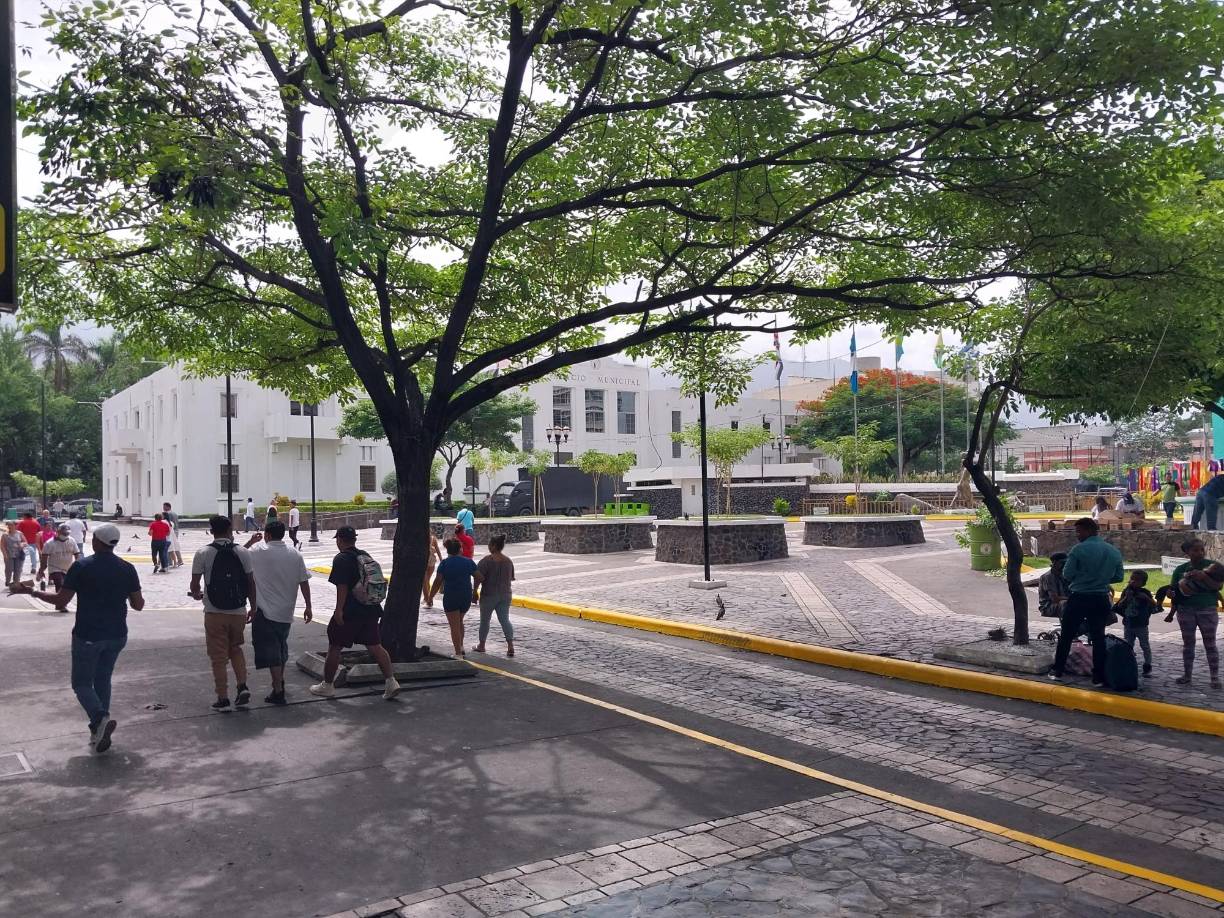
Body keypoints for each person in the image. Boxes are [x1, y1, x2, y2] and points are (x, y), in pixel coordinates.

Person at [9, 523, 143, 754]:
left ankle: (100, 719)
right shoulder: (127, 568)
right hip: (117, 634)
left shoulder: (82, 566)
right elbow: (138, 604)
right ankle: (97, 730)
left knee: (81, 683)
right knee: (103, 680)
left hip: (88, 633)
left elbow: (61, 601)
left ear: (97, 542)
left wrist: (32, 592)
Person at [310, 526, 400, 700]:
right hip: (370, 608)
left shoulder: (341, 559)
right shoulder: (364, 555)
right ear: (354, 539)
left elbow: (342, 587)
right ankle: (391, 681)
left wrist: (339, 610)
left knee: (335, 646)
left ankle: (327, 685)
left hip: (350, 610)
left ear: (339, 540)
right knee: (375, 645)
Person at [189, 515, 258, 710]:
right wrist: (253, 607)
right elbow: (251, 583)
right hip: (238, 611)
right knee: (235, 648)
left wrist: (196, 594)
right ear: (230, 531)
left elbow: (194, 585)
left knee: (218, 657)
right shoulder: (243, 552)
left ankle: (222, 696)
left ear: (212, 532)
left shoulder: (202, 553)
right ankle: (242, 685)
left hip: (214, 612)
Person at [243, 519, 311, 704]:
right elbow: (303, 581)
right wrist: (308, 606)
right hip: (286, 611)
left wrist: (250, 542)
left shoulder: (257, 551)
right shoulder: (295, 554)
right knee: (281, 647)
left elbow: (239, 556)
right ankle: (278, 683)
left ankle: (278, 689)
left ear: (267, 535)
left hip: (264, 611)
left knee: (271, 651)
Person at [1051, 518, 1124, 686]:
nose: (1077, 535)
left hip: (1080, 597)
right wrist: (1101, 579)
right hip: (1101, 598)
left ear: (1089, 531)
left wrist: (1083, 578)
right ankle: (1098, 676)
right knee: (1098, 637)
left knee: (1067, 635)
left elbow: (1067, 574)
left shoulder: (1078, 550)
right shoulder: (1113, 551)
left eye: (1078, 531)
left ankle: (1058, 670)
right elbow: (1119, 577)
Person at [1166, 538, 1222, 689]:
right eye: (1195, 550)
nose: (1200, 552)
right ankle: (1187, 675)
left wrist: (1204, 577)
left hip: (1207, 609)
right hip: (1185, 610)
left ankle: (1214, 678)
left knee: (1210, 644)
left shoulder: (1213, 566)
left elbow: (1217, 587)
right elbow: (1174, 590)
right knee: (1188, 644)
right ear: (1187, 552)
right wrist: (1171, 594)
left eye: (1201, 549)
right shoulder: (1180, 570)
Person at [428, 538, 481, 658]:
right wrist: (475, 591)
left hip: (451, 596)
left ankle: (458, 652)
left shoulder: (445, 564)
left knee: (454, 626)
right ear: (460, 549)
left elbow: (437, 582)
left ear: (448, 550)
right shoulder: (469, 562)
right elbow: (479, 577)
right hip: (465, 596)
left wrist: (430, 597)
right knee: (460, 621)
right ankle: (461, 645)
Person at [475, 534, 516, 657]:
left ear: (493, 546)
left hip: (489, 594)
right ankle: (510, 646)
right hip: (505, 594)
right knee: (505, 620)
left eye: (489, 544)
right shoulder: (508, 561)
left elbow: (478, 578)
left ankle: (481, 645)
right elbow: (511, 578)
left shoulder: (486, 561)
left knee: (484, 621)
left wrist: (474, 592)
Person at [1113, 570, 1156, 676]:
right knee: (1128, 645)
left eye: (1137, 580)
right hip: (1128, 623)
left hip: (1141, 625)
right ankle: (1128, 664)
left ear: (1143, 583)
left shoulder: (1145, 592)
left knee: (1145, 645)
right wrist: (1126, 598)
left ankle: (1147, 665)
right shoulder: (1126, 591)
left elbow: (1154, 605)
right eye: (1132, 579)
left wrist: (1146, 598)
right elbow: (1118, 606)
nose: (1133, 582)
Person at [44, 523, 82, 613]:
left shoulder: (72, 541)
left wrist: (79, 567)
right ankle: (62, 605)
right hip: (54, 568)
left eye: (67, 534)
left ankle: (59, 603)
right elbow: (44, 557)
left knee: (66, 586)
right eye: (63, 534)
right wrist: (42, 570)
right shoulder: (49, 543)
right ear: (57, 532)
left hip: (67, 568)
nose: (65, 536)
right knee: (60, 583)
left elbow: (77, 554)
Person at [1037, 552, 1069, 619]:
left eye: (1066, 563)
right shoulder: (1048, 577)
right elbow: (1055, 599)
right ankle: (1067, 627)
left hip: (1061, 602)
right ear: (1054, 562)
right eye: (1062, 563)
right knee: (1065, 604)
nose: (1064, 565)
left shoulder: (1064, 575)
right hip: (1048, 606)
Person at [17, 511, 41, 579]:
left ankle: (20, 568)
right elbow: (39, 532)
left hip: (24, 542)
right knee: (33, 555)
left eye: (23, 516)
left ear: (25, 516)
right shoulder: (36, 522)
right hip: (33, 541)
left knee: (22, 555)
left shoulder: (22, 522)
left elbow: (18, 532)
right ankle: (34, 567)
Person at [422, 527, 442, 608]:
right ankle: (427, 598)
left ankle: (428, 600)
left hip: (427, 561)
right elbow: (437, 550)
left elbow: (437, 549)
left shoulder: (422, 539)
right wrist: (441, 559)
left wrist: (441, 560)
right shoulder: (433, 538)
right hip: (431, 561)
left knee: (425, 581)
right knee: (426, 581)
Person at [2, 521, 27, 586]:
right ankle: (8, 581)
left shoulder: (20, 533)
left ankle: (16, 582)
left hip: (19, 554)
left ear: (15, 526)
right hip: (9, 555)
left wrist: (22, 544)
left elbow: (25, 542)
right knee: (9, 569)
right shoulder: (5, 535)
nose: (10, 527)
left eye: (11, 525)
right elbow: (2, 546)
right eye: (9, 525)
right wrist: (5, 555)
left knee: (18, 569)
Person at [163, 502, 184, 568]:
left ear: (168, 507)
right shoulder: (174, 513)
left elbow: (169, 523)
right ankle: (179, 560)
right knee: (175, 546)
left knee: (170, 547)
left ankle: (170, 562)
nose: (163, 508)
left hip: (171, 531)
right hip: (176, 530)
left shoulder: (168, 514)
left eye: (164, 507)